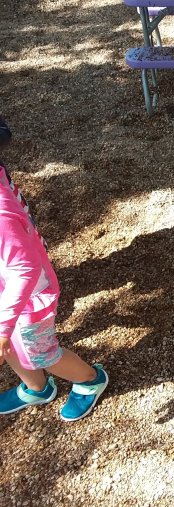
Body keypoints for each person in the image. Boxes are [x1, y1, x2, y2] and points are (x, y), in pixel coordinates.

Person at [0, 116, 108, 422]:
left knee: (41, 353)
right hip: (6, 291)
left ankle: (89, 379)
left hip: (28, 297)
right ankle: (36, 387)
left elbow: (25, 270)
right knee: (12, 347)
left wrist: (3, 328)